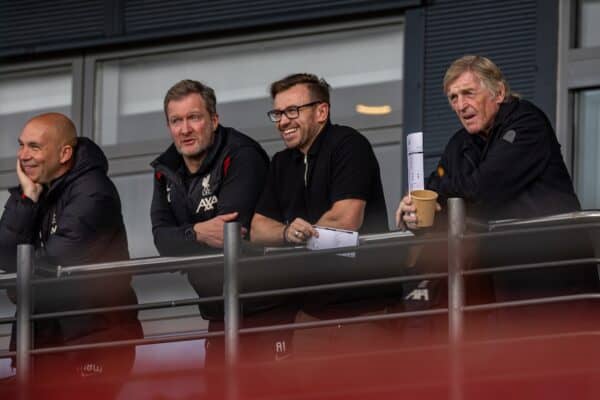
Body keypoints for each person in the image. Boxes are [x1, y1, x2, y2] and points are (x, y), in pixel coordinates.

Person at [395, 55, 598, 336]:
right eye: (453, 98)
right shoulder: (460, 143)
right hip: (504, 288)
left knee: (563, 372)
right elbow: (437, 192)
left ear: (499, 92)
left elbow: (484, 188)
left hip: (555, 280)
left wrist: (436, 195)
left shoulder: (528, 122)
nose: (460, 105)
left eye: (468, 93)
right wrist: (414, 212)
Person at [150, 79, 295, 363]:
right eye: (176, 121)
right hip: (218, 314)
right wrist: (198, 233)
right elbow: (161, 240)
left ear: (214, 120)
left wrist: (184, 237)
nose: (185, 129)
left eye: (194, 117)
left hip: (268, 311)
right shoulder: (164, 170)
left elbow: (230, 234)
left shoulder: (242, 155)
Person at [251, 73, 395, 356]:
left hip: (365, 310)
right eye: (277, 113)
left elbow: (345, 220)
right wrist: (286, 232)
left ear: (321, 111)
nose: (283, 121)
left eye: (292, 110)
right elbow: (257, 229)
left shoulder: (349, 145)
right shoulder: (281, 163)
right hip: (311, 314)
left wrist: (297, 237)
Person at [0, 113, 142, 397]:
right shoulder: (37, 189)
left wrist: (21, 281)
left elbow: (53, 263)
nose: (23, 155)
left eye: (34, 147)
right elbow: (4, 255)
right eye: (21, 145)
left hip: (92, 346)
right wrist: (26, 199)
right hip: (46, 344)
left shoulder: (93, 192)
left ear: (64, 153)